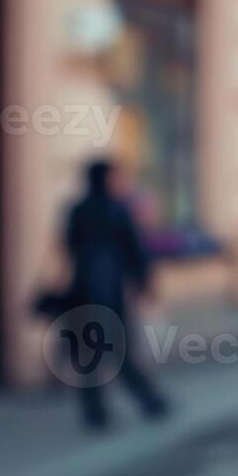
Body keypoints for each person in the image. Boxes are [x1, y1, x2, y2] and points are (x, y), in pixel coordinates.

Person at [63, 159, 167, 428]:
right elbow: (133, 249)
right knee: (117, 351)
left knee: (90, 355)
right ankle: (147, 400)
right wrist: (143, 281)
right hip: (108, 292)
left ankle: (97, 411)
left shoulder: (80, 210)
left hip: (84, 290)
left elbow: (69, 246)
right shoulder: (115, 210)